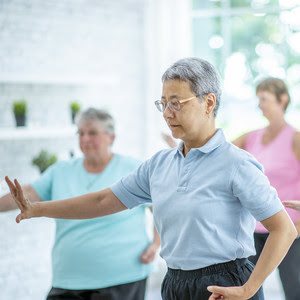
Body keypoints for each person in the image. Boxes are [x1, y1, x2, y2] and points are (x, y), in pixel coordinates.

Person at [5, 58, 297, 300]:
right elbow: (103, 200)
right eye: (163, 104)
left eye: (176, 103)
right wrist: (38, 209)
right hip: (174, 283)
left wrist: (249, 288)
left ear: (209, 102)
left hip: (225, 283)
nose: (168, 113)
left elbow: (283, 229)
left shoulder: (237, 164)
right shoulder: (158, 164)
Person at [1, 108, 160, 300]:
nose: (85, 139)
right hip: (68, 279)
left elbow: (159, 208)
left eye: (92, 133)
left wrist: (155, 243)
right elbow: (26, 194)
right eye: (80, 133)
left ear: (111, 137)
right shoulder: (60, 170)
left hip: (123, 277)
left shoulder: (133, 168)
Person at [232, 78, 300, 300]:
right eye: (258, 98)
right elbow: (220, 155)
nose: (259, 104)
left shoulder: (296, 139)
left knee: (295, 289)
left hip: (290, 229)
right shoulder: (252, 137)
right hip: (253, 228)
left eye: (264, 98)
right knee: (243, 288)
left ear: (283, 100)